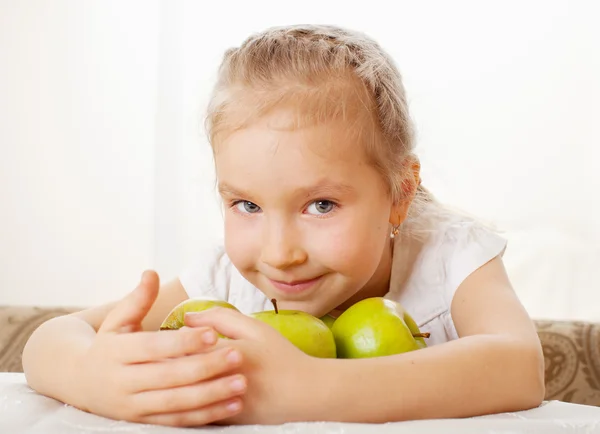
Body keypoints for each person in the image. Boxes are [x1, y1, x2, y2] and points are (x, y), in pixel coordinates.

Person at [22, 24, 545, 427]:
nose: (278, 254)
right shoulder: (223, 281)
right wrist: (90, 376)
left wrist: (311, 387)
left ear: (399, 195)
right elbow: (50, 339)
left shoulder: (449, 253)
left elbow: (520, 367)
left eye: (320, 205)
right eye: (246, 206)